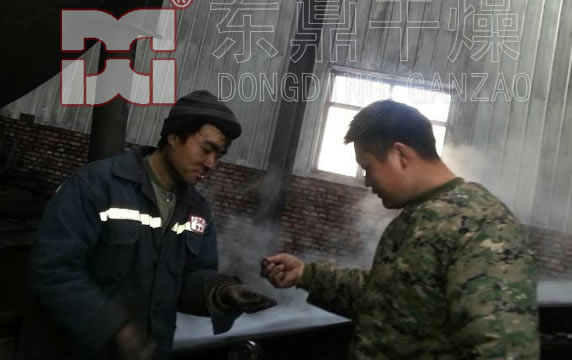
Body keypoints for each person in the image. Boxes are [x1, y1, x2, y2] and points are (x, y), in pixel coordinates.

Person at [261, 99, 540, 359]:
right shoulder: (418, 215)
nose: (367, 181)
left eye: (368, 168)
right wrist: (306, 274)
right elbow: (388, 297)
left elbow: (504, 350)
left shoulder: (482, 226)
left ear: (400, 155)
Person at [18, 90, 276, 360]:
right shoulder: (94, 187)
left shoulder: (197, 210)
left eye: (218, 155)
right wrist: (114, 328)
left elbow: (187, 278)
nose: (211, 163)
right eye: (206, 149)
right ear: (173, 136)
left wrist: (222, 291)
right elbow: (53, 271)